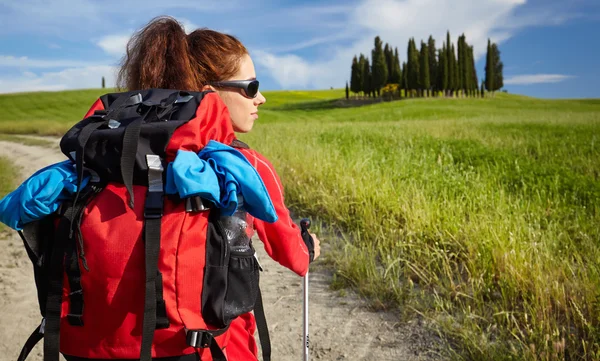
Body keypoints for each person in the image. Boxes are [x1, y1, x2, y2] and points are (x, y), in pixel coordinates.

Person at [116, 16, 321, 360]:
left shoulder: (128, 153)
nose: (262, 99)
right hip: (213, 348)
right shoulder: (244, 164)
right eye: (251, 87)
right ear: (212, 93)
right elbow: (295, 257)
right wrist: (309, 248)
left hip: (118, 344)